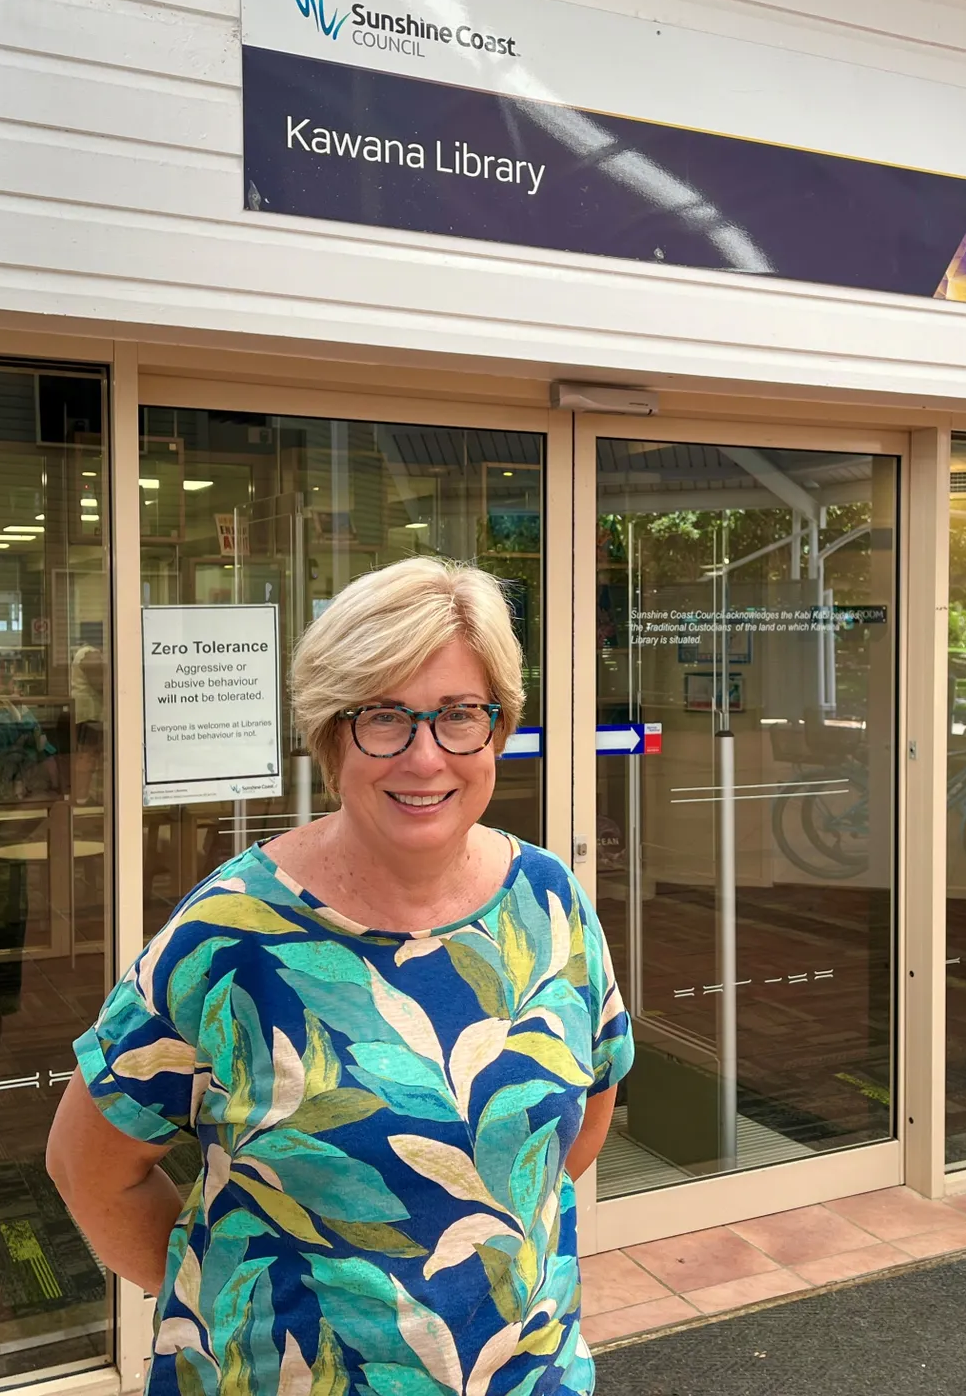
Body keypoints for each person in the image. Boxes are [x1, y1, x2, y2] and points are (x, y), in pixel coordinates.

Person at [48, 557, 633, 1395]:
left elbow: (586, 1115)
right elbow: (89, 1168)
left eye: (460, 714)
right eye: (385, 718)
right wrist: (231, 1302)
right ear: (331, 733)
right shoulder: (230, 934)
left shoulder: (550, 906)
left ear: (497, 727)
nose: (426, 756)